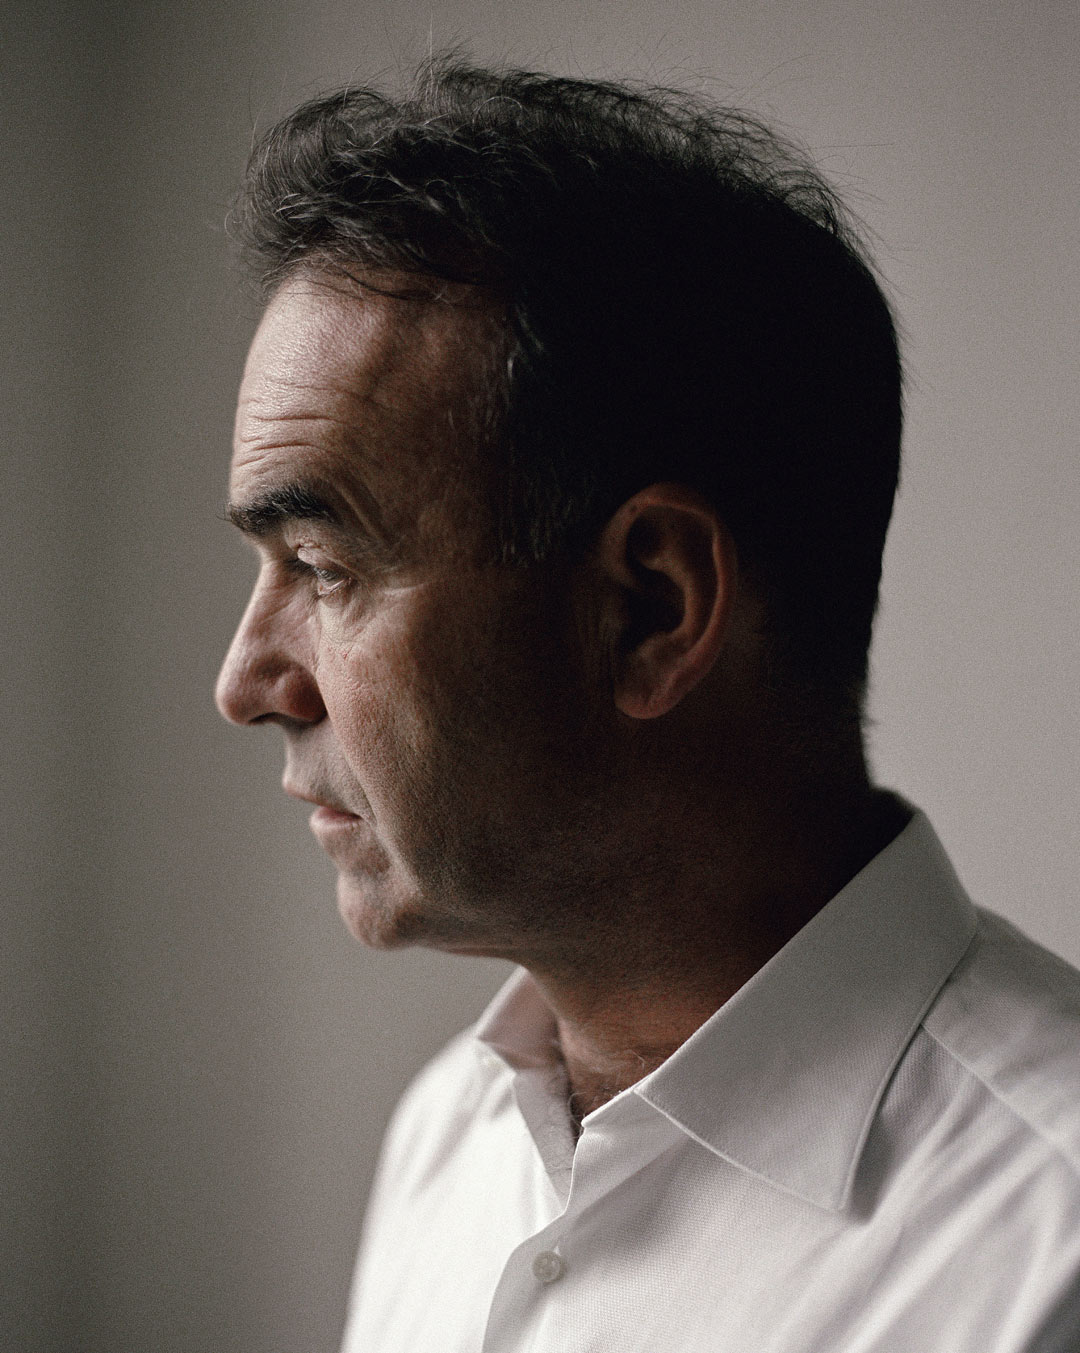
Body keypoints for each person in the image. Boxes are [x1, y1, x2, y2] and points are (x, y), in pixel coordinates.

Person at [215, 56, 1080, 1353]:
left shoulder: (1051, 1249)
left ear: (650, 607)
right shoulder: (447, 1142)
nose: (245, 682)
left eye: (326, 567)